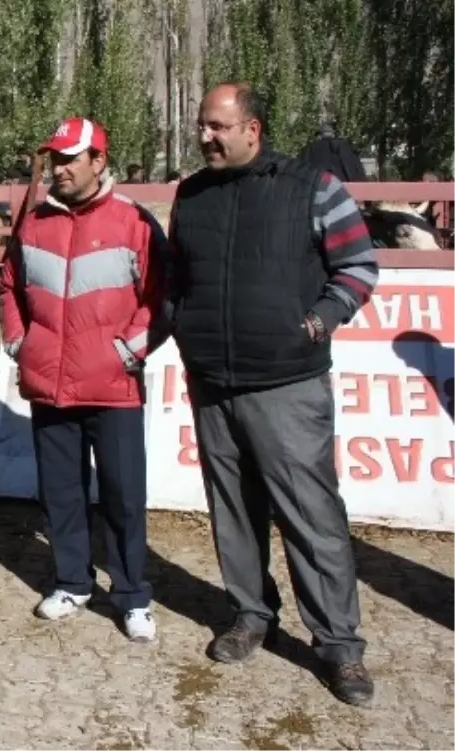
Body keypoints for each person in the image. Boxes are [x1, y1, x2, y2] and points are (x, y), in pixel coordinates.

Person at [168, 83, 379, 706]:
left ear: (252, 128)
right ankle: (252, 614)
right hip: (213, 380)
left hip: (287, 382)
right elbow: (176, 276)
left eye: (217, 126)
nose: (205, 136)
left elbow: (359, 268)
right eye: (202, 126)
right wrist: (183, 323)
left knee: (311, 516)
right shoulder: (191, 195)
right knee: (232, 509)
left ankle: (340, 645)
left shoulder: (313, 188)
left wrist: (316, 322)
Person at [0, 117, 167, 642]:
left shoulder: (133, 222)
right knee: (61, 491)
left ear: (99, 161)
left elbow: (161, 297)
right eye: (54, 158)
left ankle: (132, 594)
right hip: (50, 384)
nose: (59, 168)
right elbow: (9, 286)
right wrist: (18, 342)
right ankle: (72, 580)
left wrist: (128, 350)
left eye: (71, 158)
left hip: (113, 387)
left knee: (121, 494)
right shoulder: (33, 224)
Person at [299, 120, 366, 183]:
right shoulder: (344, 146)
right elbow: (356, 170)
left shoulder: (310, 148)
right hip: (343, 187)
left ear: (319, 135)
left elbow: (302, 170)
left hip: (319, 185)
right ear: (332, 134)